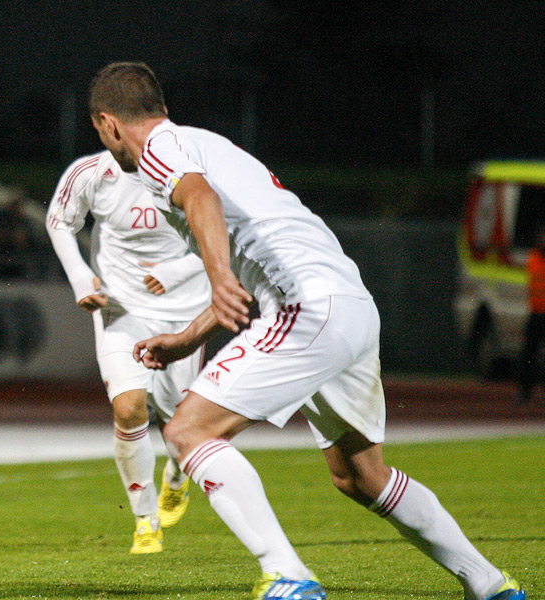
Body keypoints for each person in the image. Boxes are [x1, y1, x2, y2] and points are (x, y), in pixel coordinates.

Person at [88, 62, 525, 600]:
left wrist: (217, 277)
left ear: (108, 123)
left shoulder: (159, 150)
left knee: (187, 431)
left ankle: (287, 575)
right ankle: (490, 584)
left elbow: (201, 200)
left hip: (307, 307)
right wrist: (191, 335)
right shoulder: (205, 144)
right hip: (348, 305)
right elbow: (250, 260)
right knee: (361, 476)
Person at [45, 149, 210, 553]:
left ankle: (177, 477)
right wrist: (80, 276)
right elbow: (59, 220)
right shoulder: (91, 172)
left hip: (183, 311)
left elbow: (232, 232)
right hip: (121, 308)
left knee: (181, 423)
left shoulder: (195, 167)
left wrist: (177, 271)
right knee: (129, 406)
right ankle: (146, 520)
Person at [516, 227, 545, 405]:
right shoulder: (533, 257)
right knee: (528, 354)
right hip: (536, 313)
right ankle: (525, 390)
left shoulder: (534, 257)